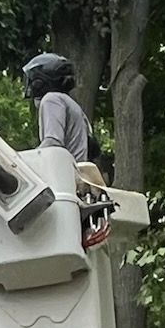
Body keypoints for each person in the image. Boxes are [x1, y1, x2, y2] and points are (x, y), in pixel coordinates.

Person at [23, 52, 112, 245]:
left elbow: (52, 144)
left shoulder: (51, 100)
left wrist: (23, 163)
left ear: (40, 80)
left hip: (66, 181)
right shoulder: (75, 107)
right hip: (79, 184)